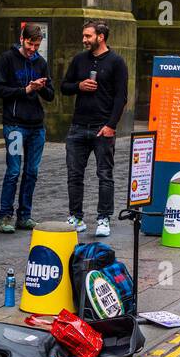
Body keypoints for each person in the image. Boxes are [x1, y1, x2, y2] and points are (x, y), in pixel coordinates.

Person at [62, 20, 128, 237]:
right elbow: (64, 87)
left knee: (105, 174)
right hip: (78, 126)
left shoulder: (117, 62)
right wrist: (79, 86)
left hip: (102, 127)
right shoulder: (79, 59)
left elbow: (121, 97)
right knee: (74, 174)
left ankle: (103, 218)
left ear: (101, 37)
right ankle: (76, 217)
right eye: (84, 36)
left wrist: (111, 125)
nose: (84, 39)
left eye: (88, 36)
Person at [0, 23, 53, 232]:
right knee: (14, 171)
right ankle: (5, 216)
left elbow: (51, 95)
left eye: (36, 45)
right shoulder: (8, 59)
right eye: (29, 44)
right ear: (22, 38)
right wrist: (25, 89)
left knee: (32, 172)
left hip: (36, 127)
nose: (33, 48)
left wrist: (41, 88)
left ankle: (24, 216)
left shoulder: (40, 63)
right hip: (15, 125)